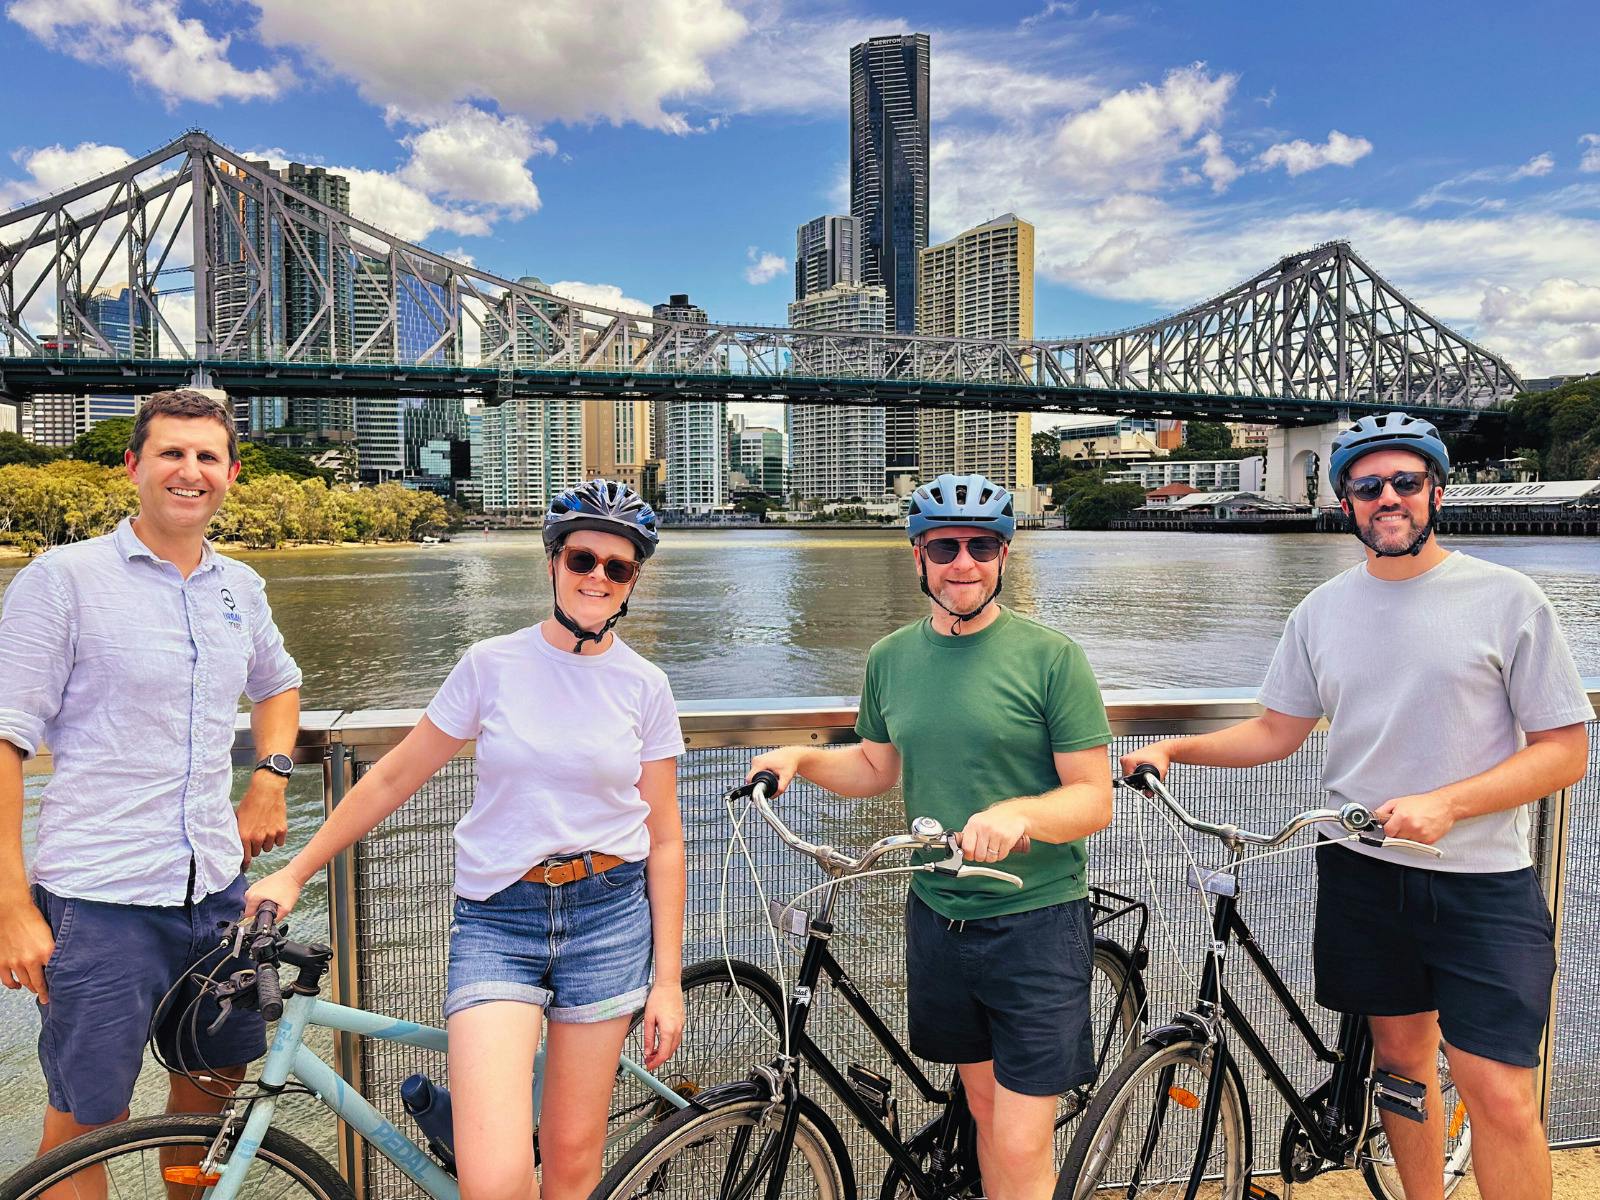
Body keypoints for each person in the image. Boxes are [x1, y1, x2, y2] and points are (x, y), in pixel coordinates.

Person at [1127, 412, 1591, 1200]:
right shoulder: (1320, 611)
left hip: (1483, 882)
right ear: (1346, 504)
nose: (1388, 499)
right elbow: (1278, 730)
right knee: (1401, 1069)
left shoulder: (1509, 599)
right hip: (1363, 873)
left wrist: (1447, 804)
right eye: (1368, 486)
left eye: (1405, 482)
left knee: (1500, 1092)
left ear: (1436, 491)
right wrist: (1175, 750)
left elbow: (1565, 751)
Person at [246, 478, 685, 1200]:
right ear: (553, 563)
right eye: (583, 560)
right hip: (498, 918)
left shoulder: (646, 686)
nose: (598, 578)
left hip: (609, 917)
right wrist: (295, 873)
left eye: (618, 567)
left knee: (573, 1162)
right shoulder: (491, 664)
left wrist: (666, 981)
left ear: (633, 579)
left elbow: (665, 838)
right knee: (494, 1176)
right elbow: (393, 779)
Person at [750, 473, 1114, 1200]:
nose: (964, 562)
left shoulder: (1052, 657)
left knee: (1018, 1139)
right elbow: (876, 765)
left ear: (1005, 555)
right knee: (980, 1109)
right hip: (939, 917)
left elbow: (1093, 798)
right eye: (944, 546)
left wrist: (1021, 816)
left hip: (1035, 922)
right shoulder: (892, 657)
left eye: (982, 545)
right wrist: (801, 759)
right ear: (917, 555)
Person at [0, 390, 303, 1156]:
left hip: (216, 894)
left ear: (231, 474)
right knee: (87, 1124)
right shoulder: (61, 579)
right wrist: (11, 907)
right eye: (171, 452)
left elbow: (279, 684)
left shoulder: (240, 587)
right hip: (101, 901)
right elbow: (5, 739)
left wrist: (269, 775)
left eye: (207, 457)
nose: (189, 471)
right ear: (133, 465)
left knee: (210, 1102)